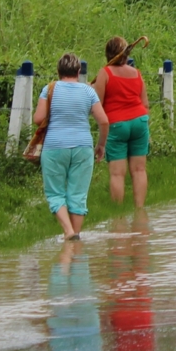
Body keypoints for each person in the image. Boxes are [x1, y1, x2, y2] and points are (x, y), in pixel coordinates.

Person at [34, 53, 109, 241]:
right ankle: (75, 237)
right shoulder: (88, 92)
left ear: (58, 71)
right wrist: (100, 145)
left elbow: (38, 119)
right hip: (83, 147)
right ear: (78, 71)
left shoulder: (49, 89)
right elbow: (104, 121)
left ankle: (68, 231)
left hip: (54, 147)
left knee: (55, 192)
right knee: (78, 194)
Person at [94, 36, 151, 209]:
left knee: (118, 174)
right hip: (140, 122)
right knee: (139, 170)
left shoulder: (104, 73)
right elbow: (145, 104)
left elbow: (98, 104)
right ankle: (139, 209)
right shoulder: (137, 73)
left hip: (117, 124)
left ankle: (118, 214)